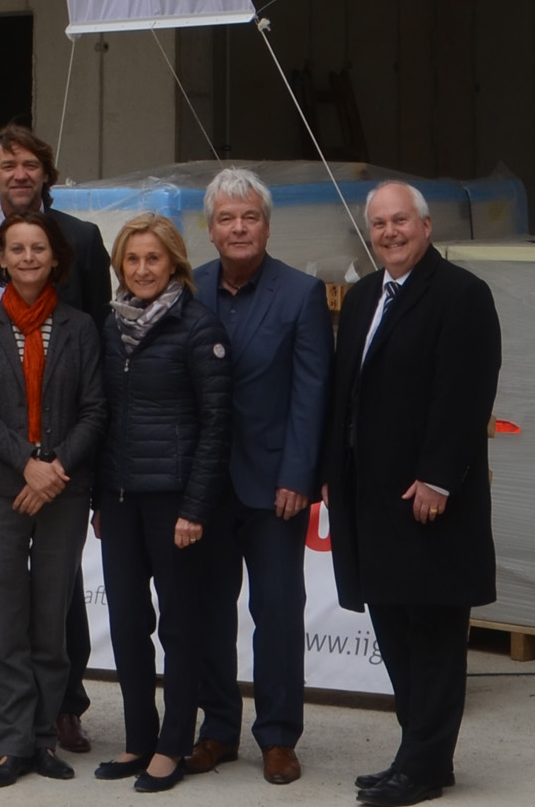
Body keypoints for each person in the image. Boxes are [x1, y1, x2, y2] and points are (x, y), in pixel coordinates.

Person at [322, 183, 501, 807]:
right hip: (370, 499)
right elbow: (347, 395)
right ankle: (420, 754)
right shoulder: (367, 295)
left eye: (401, 220)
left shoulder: (462, 296)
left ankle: (422, 767)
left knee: (434, 634)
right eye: (379, 224)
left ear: (426, 227)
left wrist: (438, 477)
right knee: (394, 628)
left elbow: (464, 395)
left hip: (428, 501)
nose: (390, 232)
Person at [0, 124, 107, 753]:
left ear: (46, 174)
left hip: (64, 458)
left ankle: (64, 708)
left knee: (60, 592)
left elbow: (92, 344)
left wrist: (65, 462)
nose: (19, 174)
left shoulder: (84, 241)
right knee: (0, 593)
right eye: (7, 164)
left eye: (31, 164)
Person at [189, 167, 331, 786]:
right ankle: (217, 728)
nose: (238, 227)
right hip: (203, 489)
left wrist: (298, 474)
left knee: (277, 611)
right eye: (226, 218)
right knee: (207, 612)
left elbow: (311, 394)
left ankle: (278, 736)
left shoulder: (300, 293)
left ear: (267, 227)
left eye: (249, 217)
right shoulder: (186, 289)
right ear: (211, 229)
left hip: (277, 487)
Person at [92, 213, 228, 793]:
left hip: (175, 502)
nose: (143, 269)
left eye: (153, 258)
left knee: (179, 625)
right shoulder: (109, 324)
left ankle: (173, 745)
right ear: (120, 266)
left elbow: (217, 424)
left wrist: (195, 509)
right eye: (132, 259)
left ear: (174, 262)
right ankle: (137, 738)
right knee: (127, 624)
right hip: (119, 500)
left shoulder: (198, 327)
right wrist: (101, 497)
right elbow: (101, 416)